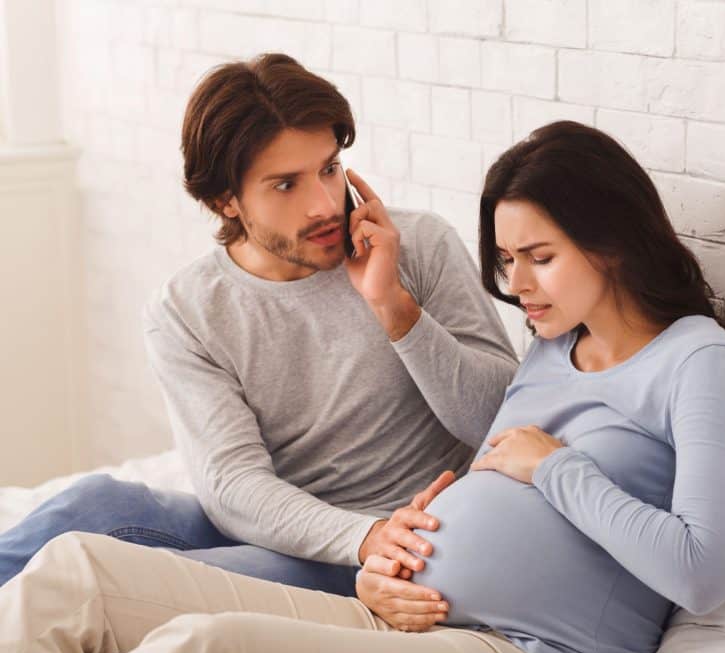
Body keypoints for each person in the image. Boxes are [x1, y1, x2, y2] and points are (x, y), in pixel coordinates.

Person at [0, 121, 725, 653]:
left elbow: (702, 574)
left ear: (613, 242)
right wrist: (379, 571)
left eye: (539, 256)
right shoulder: (555, 341)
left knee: (211, 652)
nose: (516, 285)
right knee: (77, 570)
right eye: (506, 261)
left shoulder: (698, 362)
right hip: (408, 614)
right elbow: (490, 479)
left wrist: (555, 468)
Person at [0, 53, 518, 597]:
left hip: (406, 542)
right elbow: (232, 486)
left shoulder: (419, 248)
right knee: (95, 505)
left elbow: (499, 420)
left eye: (329, 169)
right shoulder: (188, 309)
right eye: (285, 185)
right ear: (224, 199)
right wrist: (361, 534)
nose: (324, 204)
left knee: (120, 591)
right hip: (315, 534)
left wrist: (394, 307)